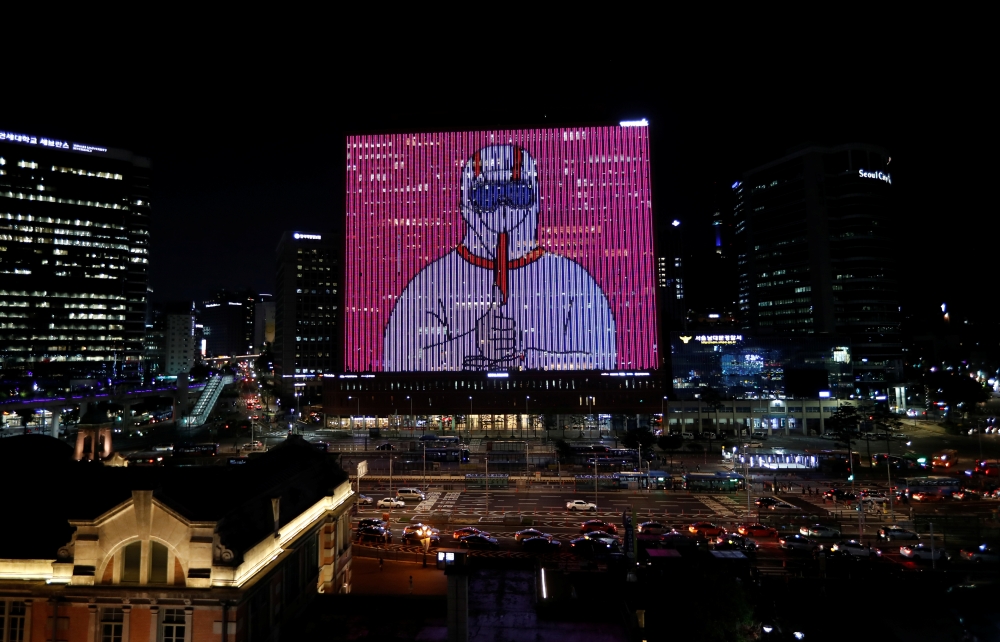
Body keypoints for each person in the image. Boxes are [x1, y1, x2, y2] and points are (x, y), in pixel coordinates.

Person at [383, 144, 616, 372]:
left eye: (516, 193)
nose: (502, 207)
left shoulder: (573, 280)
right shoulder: (430, 283)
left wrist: (524, 356)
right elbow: (397, 359)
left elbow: (603, 360)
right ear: (466, 204)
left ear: (534, 200)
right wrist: (472, 343)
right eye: (487, 195)